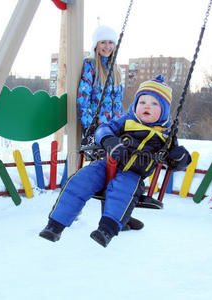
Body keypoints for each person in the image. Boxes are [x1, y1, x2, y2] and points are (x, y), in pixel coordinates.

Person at [39, 75, 192, 247]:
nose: (147, 106)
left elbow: (179, 161)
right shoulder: (126, 121)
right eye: (142, 102)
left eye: (154, 103)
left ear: (164, 110)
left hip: (133, 175)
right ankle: (55, 225)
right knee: (79, 181)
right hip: (106, 165)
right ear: (135, 105)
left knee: (123, 193)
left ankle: (106, 230)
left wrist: (180, 157)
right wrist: (109, 140)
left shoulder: (166, 136)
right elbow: (103, 129)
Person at [77, 25, 143, 231]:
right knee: (107, 173)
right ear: (96, 44)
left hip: (116, 129)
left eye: (110, 42)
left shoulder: (116, 69)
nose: (107, 46)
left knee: (123, 169)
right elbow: (82, 100)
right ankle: (111, 219)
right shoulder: (90, 66)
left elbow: (119, 104)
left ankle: (121, 215)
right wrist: (92, 128)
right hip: (99, 130)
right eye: (103, 42)